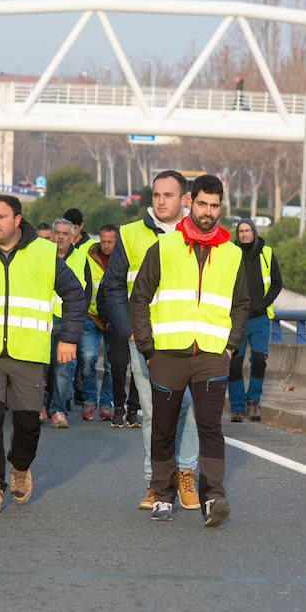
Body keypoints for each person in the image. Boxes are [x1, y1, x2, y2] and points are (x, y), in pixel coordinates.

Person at [0, 194, 85, 512]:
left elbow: (74, 294)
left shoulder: (45, 253)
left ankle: (20, 467)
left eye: (1, 216)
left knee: (27, 424)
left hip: (29, 353)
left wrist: (69, 339)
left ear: (17, 219)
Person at [130, 174, 247, 526]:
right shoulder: (164, 248)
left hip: (212, 356)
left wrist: (231, 347)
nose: (207, 212)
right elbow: (139, 298)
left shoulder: (232, 254)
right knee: (163, 428)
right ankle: (162, 496)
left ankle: (214, 497)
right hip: (167, 355)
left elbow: (242, 305)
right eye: (201, 204)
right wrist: (148, 350)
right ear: (189, 203)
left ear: (220, 207)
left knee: (211, 427)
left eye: (214, 206)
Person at [100, 170, 202, 512]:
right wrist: (130, 330)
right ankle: (156, 481)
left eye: (168, 195)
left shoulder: (202, 235)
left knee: (189, 410)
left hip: (191, 340)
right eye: (156, 195)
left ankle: (185, 473)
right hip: (146, 341)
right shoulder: (130, 235)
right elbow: (113, 287)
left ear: (184, 199)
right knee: (152, 412)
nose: (160, 201)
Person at [227, 216, 282, 422]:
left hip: (260, 318)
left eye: (247, 230)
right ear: (237, 234)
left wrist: (264, 303)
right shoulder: (231, 254)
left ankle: (253, 402)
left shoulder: (267, 253)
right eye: (241, 231)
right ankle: (237, 407)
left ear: (254, 232)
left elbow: (277, 283)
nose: (244, 234)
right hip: (237, 319)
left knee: (259, 360)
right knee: (235, 363)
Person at [44, 215, 91, 429]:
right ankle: (40, 407)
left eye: (65, 234)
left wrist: (77, 319)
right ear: (52, 235)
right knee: (41, 368)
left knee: (64, 370)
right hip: (43, 320)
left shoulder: (81, 258)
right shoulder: (41, 255)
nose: (61, 237)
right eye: (58, 233)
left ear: (73, 236)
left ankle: (58, 411)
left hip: (67, 322)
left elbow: (86, 291)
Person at [81, 223, 117, 422]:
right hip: (91, 316)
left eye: (110, 242)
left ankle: (106, 403)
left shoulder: (122, 259)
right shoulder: (87, 257)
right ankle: (89, 400)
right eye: (102, 241)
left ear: (116, 241)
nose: (105, 245)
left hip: (113, 319)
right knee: (88, 357)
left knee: (111, 365)